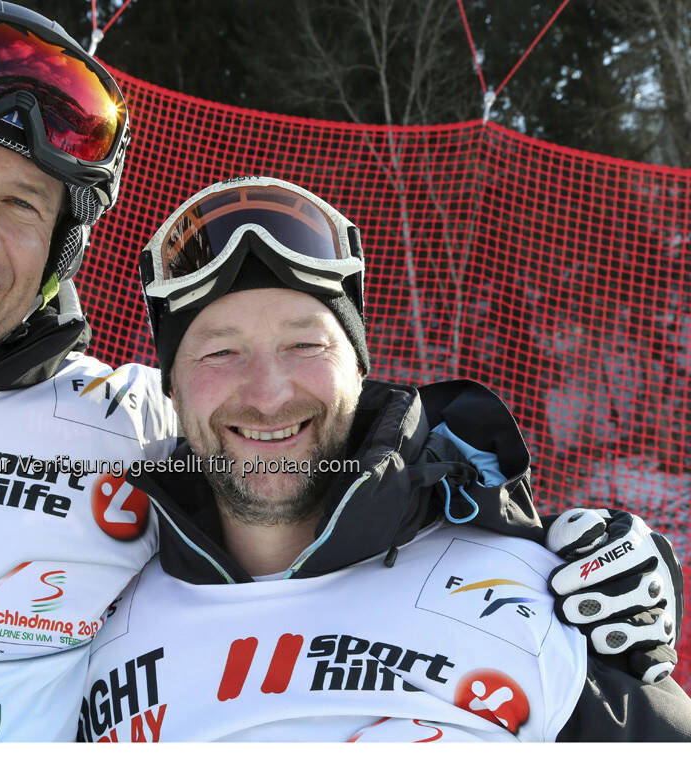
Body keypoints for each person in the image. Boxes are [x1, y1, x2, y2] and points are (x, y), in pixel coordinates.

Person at [0, 2, 678, 742]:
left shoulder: (130, 428)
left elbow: (328, 463)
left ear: (59, 250)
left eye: (23, 203)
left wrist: (575, 558)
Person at [78, 177, 691, 741]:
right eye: (220, 353)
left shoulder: (526, 595)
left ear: (359, 368)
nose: (268, 395)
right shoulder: (87, 609)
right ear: (173, 389)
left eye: (304, 344)